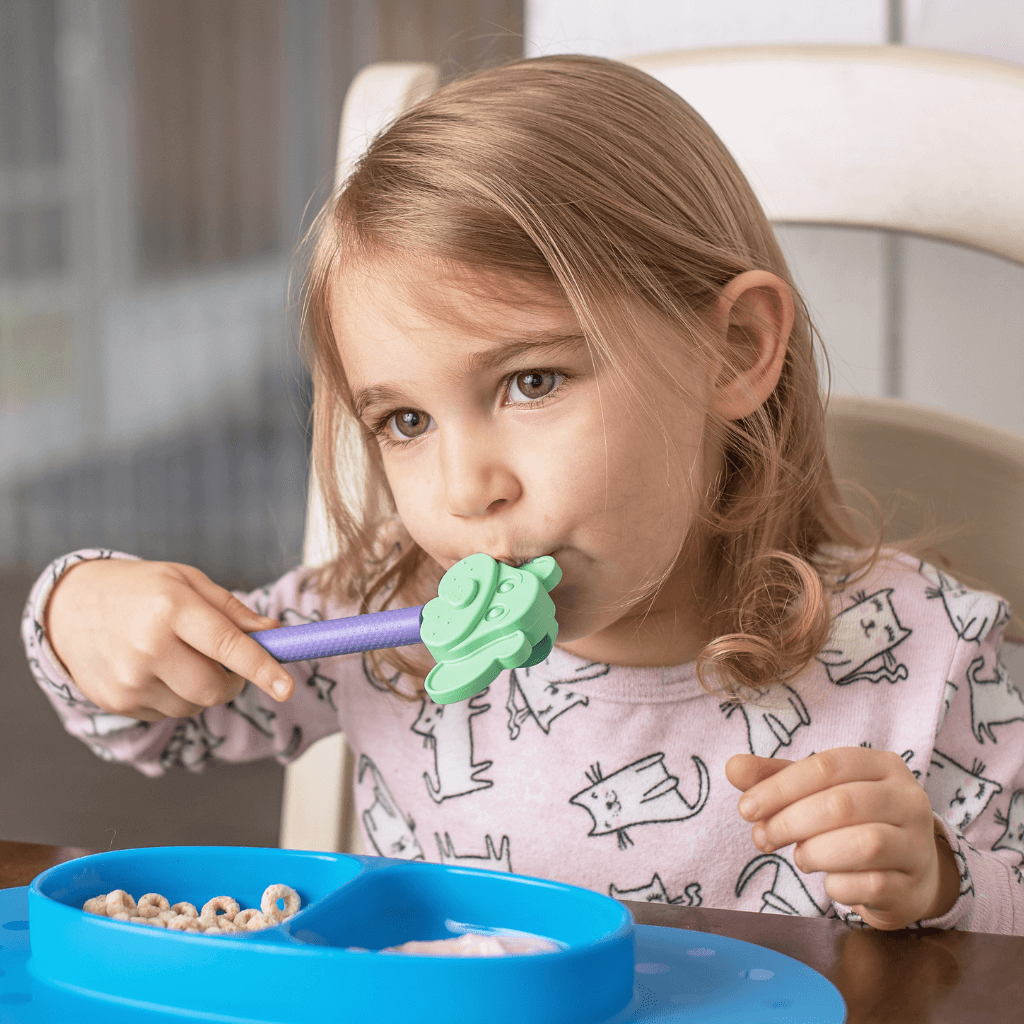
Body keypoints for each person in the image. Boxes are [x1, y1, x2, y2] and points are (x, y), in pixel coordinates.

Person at [23, 54, 1023, 934]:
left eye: (530, 381)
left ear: (736, 349)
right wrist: (84, 611)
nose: (468, 488)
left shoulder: (922, 649)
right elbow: (151, 722)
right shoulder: (375, 627)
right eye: (404, 422)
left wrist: (936, 880)